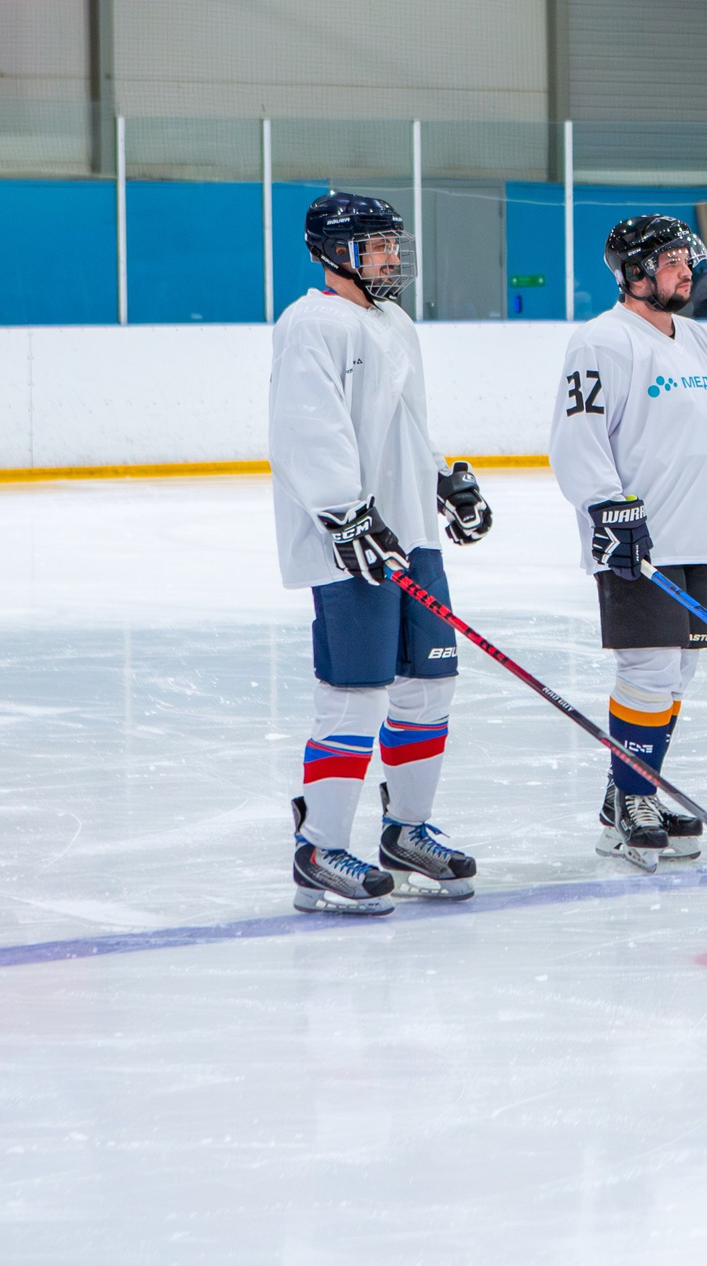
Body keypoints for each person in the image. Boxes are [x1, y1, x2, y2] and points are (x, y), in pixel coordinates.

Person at [271, 191, 489, 914]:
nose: (392, 257)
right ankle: (319, 848)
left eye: (394, 244)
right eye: (377, 245)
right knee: (356, 691)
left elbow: (406, 425)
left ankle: (407, 832)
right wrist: (343, 515)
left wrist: (442, 481)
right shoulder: (310, 324)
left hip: (409, 533)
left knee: (429, 686)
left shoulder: (393, 321)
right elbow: (311, 429)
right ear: (336, 252)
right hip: (350, 540)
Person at [548, 215, 707, 870]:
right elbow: (575, 441)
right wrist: (608, 510)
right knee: (648, 667)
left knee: (681, 669)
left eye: (686, 260)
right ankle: (631, 800)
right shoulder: (602, 342)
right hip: (635, 536)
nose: (686, 271)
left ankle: (632, 792)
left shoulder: (701, 343)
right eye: (671, 262)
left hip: (697, 533)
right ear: (635, 273)